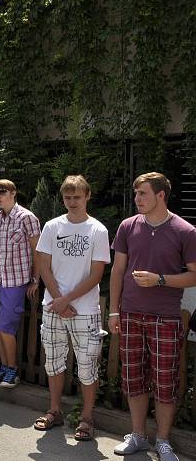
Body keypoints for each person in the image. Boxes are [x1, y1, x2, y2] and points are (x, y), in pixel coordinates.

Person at [110, 172, 196, 461]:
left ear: (161, 195)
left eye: (143, 194)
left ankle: (163, 441)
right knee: (133, 378)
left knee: (164, 381)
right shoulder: (127, 226)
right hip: (130, 314)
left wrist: (160, 280)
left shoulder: (185, 231)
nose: (137, 199)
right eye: (136, 194)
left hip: (165, 318)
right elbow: (117, 271)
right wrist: (113, 311)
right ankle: (137, 436)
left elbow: (194, 276)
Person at [32, 175, 110, 441]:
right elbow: (43, 266)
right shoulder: (52, 226)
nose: (72, 202)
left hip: (85, 310)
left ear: (87, 196)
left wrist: (67, 300)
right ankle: (55, 411)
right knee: (53, 363)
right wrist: (58, 300)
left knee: (87, 366)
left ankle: (87, 418)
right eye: (67, 197)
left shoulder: (97, 230)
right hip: (53, 307)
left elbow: (96, 274)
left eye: (77, 197)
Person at [0, 179, 41, 388]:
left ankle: (13, 371)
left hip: (16, 281)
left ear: (13, 193)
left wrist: (36, 279)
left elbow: (38, 251)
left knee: (5, 327)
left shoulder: (27, 218)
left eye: (2, 192)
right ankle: (3, 368)